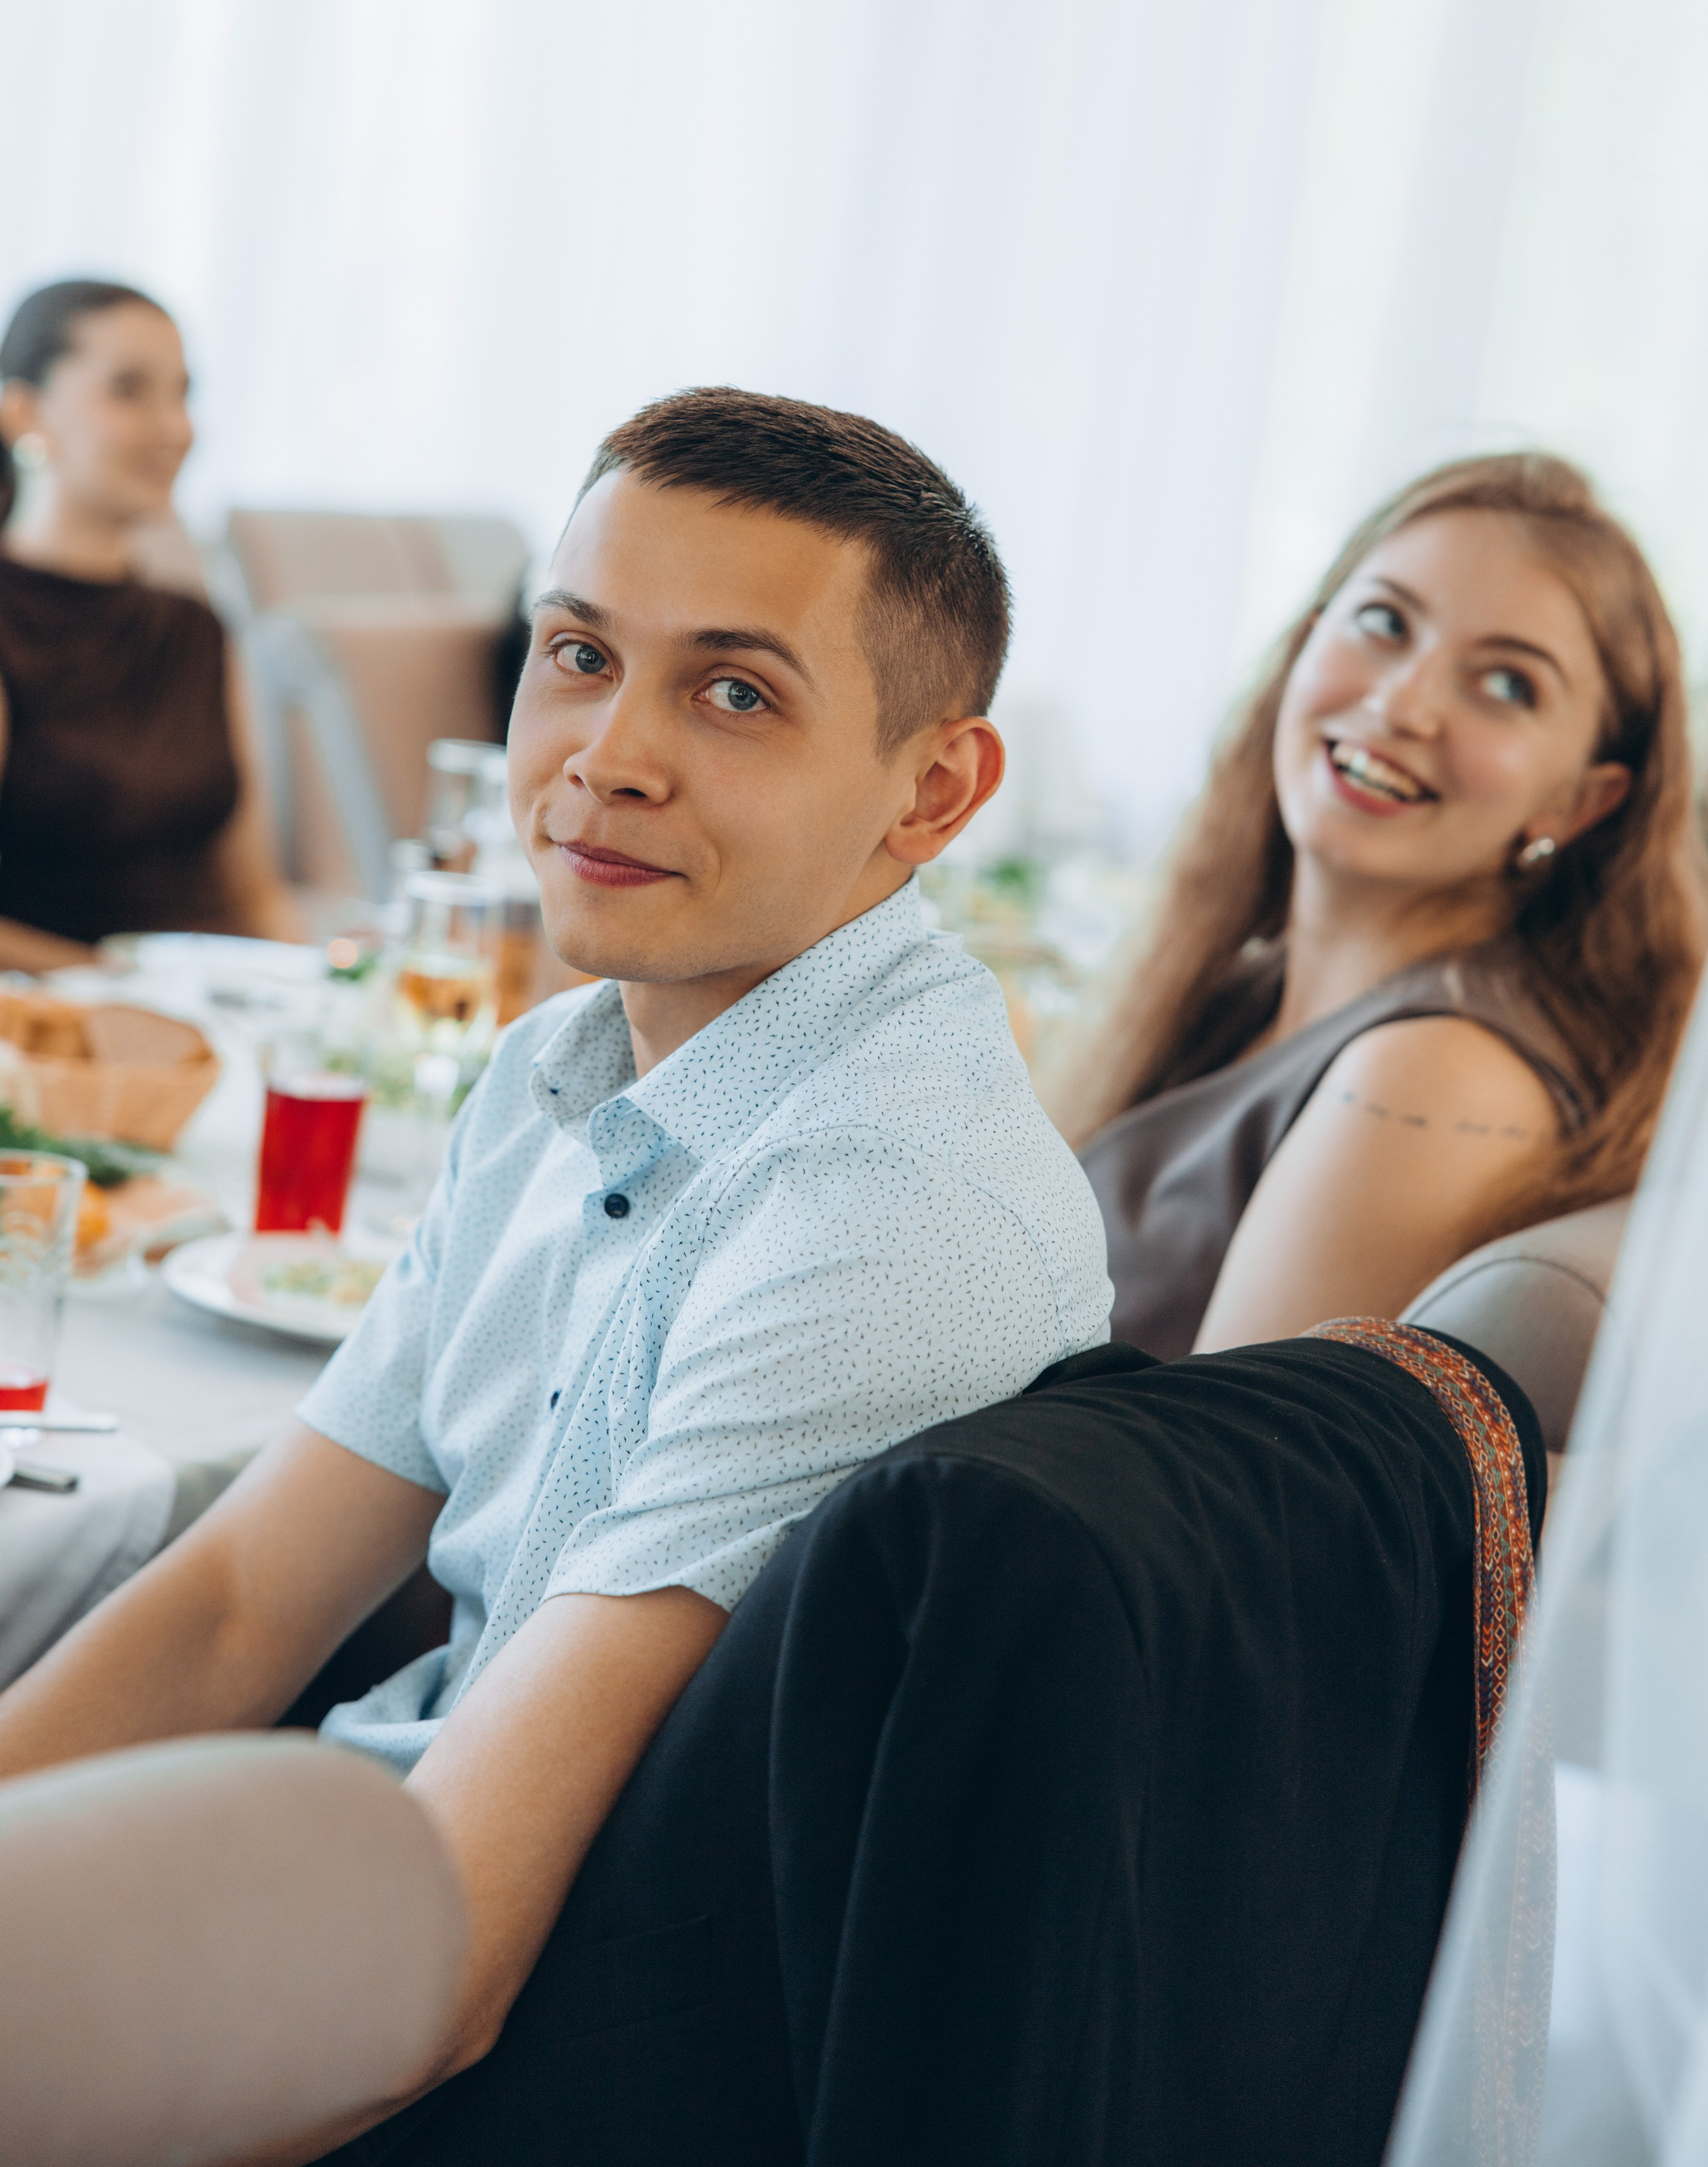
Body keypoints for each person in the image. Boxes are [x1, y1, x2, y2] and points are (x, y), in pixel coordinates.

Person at [0, 387, 1114, 2160]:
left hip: (536, 2065)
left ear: (933, 790)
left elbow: (438, 1980)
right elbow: (239, 1604)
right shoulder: (565, 1062)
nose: (608, 756)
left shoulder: (876, 1212)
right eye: (580, 655)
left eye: (734, 694)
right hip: (362, 1874)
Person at [1056, 453, 1707, 1360]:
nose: (1402, 704)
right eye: (1385, 622)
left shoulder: (1434, 1077)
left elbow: (1211, 1455)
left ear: (1579, 803)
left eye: (1508, 684)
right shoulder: (1247, 987)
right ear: (1307, 641)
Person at [0, 278, 304, 963]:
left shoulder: (195, 629)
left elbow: (256, 894)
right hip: (54, 1010)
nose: (176, 428)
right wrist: (126, 988)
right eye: (130, 390)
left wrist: (317, 990)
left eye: (182, 394)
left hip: (203, 999)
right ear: (24, 413)